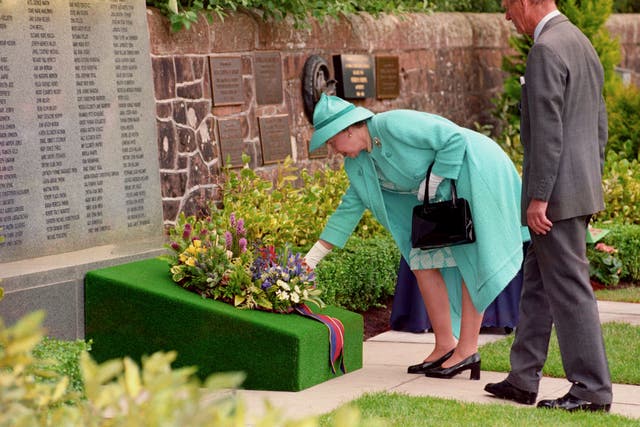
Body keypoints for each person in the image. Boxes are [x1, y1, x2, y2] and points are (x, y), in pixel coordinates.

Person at [303, 93, 529, 380]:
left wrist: (435, 180)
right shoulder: (358, 163)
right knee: (421, 260)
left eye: (332, 141)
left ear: (348, 130)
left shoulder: (393, 124)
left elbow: (454, 138)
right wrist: (310, 260)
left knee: (473, 260)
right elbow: (348, 210)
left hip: (473, 171)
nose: (334, 149)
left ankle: (468, 350)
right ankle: (445, 344)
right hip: (440, 203)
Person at [484, 0, 612, 411]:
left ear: (524, 1)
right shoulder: (579, 41)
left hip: (555, 196)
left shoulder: (546, 49)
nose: (507, 16)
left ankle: (591, 390)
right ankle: (523, 379)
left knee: (570, 291)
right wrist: (588, 185)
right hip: (576, 188)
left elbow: (547, 132)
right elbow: (599, 125)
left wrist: (540, 197)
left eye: (507, 6)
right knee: (537, 282)